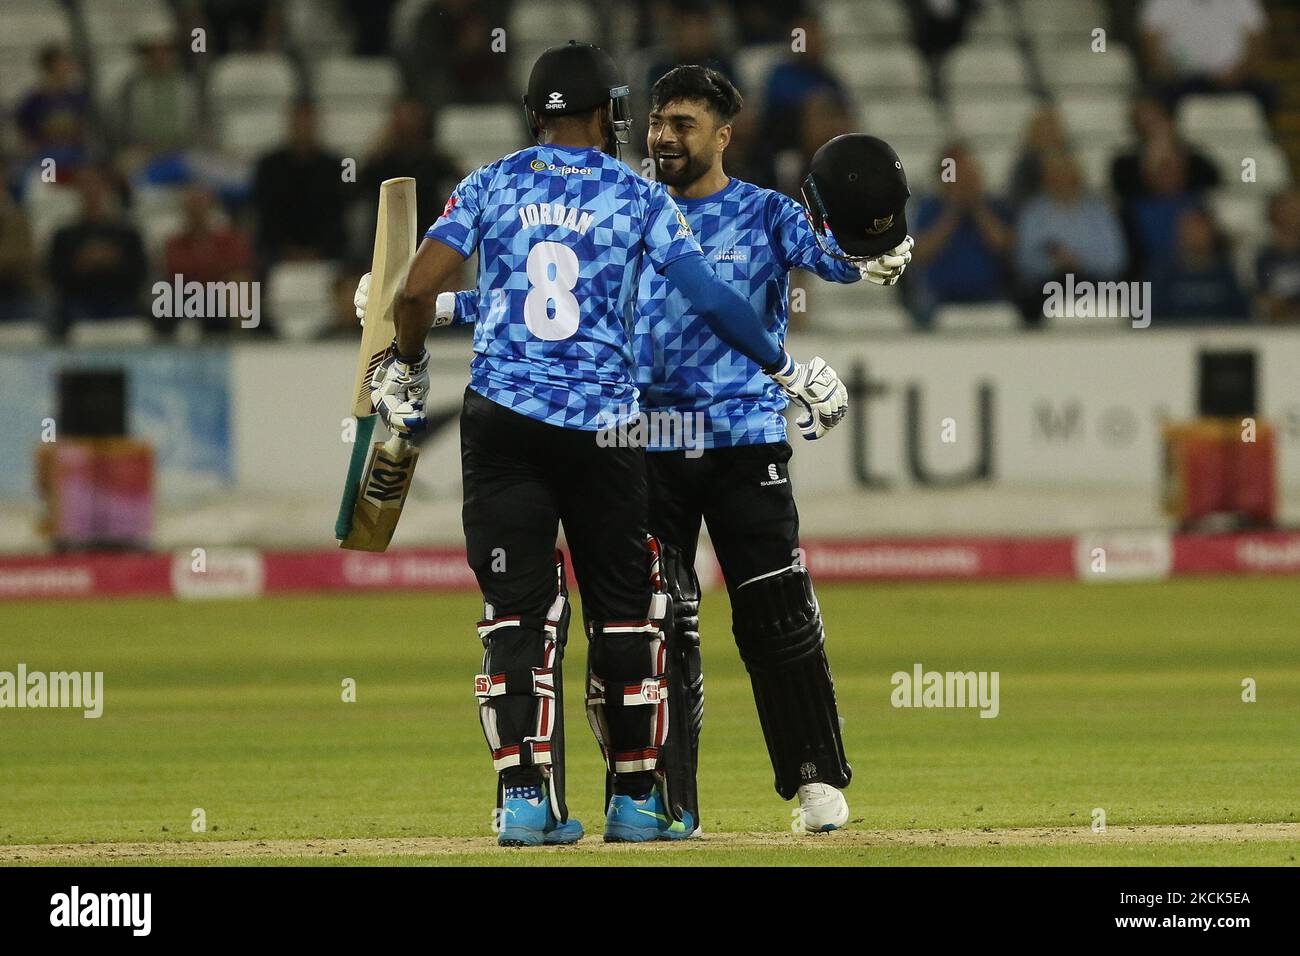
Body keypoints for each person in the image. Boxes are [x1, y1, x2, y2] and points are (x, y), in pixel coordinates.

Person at [353, 43, 849, 846]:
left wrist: (405, 356)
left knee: (516, 616)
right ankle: (636, 802)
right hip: (609, 430)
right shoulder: (636, 199)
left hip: (504, 422)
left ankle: (523, 803)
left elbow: (418, 287)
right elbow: (713, 299)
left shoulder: (493, 183)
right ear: (605, 117)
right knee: (628, 617)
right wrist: (785, 366)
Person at [635, 67, 909, 833]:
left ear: (724, 134)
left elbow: (835, 251)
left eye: (683, 124)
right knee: (655, 621)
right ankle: (666, 801)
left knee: (776, 616)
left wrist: (879, 250)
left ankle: (817, 783)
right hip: (645, 440)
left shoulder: (764, 212)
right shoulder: (627, 212)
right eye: (658, 121)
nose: (664, 136)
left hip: (745, 442)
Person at [906, 143, 1014, 328]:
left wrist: (977, 208)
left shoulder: (994, 206)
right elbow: (921, 254)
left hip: (989, 291)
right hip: (940, 293)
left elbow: (1003, 246)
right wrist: (953, 211)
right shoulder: (930, 208)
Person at [1014, 152, 1127, 325]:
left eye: (1067, 175)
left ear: (1078, 177)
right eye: (1056, 176)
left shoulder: (1099, 212)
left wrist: (1080, 262)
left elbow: (1115, 258)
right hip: (1047, 284)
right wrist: (1055, 263)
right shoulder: (1033, 212)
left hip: (1093, 281)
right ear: (1046, 180)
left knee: (1130, 295)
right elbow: (1023, 259)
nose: (1062, 181)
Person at [1150, 208, 1250, 323]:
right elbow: (1152, 319)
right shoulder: (1161, 275)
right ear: (1179, 235)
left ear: (1211, 233)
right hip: (1173, 338)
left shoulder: (1227, 275)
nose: (1194, 237)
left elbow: (1242, 318)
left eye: (1199, 230)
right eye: (1189, 231)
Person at [1256, 190, 1300, 323]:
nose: (1291, 215)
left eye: (1295, 209)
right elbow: (1262, 301)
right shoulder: (1262, 258)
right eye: (1286, 209)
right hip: (1277, 328)